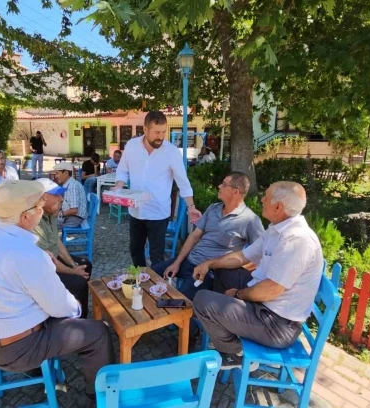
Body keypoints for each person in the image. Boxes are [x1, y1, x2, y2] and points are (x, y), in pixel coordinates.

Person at [0, 180, 114, 399]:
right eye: (39, 208)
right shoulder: (26, 253)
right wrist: (77, 311)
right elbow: (61, 307)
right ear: (25, 217)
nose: (42, 212)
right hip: (16, 349)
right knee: (98, 332)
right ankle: (100, 399)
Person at [192, 181, 323, 370]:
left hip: (276, 324)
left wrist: (238, 294)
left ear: (278, 207)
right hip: (263, 305)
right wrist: (209, 263)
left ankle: (235, 353)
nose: (262, 199)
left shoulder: (297, 240)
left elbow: (272, 290)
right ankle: (227, 327)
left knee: (203, 300)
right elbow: (242, 256)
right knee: (222, 269)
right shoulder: (277, 229)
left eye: (266, 197)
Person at [152, 172, 264, 300]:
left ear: (235, 192)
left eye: (224, 184)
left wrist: (237, 268)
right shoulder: (213, 208)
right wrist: (177, 262)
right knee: (149, 274)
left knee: (178, 302)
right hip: (188, 261)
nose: (219, 186)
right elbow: (194, 236)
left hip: (207, 272)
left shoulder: (250, 220)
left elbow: (259, 252)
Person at [112, 111, 202, 267]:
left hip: (158, 212)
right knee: (135, 249)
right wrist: (118, 186)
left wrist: (191, 206)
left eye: (163, 132)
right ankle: (141, 281)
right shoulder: (132, 146)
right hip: (136, 209)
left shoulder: (172, 152)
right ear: (145, 130)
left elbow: (183, 182)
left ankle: (157, 287)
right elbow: (122, 170)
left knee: (157, 255)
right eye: (156, 132)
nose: (161, 136)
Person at [34, 178, 93, 318]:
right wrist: (72, 271)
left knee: (85, 264)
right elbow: (47, 259)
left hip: (52, 258)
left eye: (61, 194)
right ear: (41, 199)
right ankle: (73, 318)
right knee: (78, 282)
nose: (61, 198)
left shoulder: (50, 214)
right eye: (56, 195)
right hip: (43, 268)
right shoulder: (34, 219)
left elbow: (57, 243)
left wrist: (74, 265)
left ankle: (80, 311)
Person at [53, 162, 88, 228]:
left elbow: (74, 210)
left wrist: (60, 214)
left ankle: (57, 238)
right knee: (49, 221)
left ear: (66, 173)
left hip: (75, 218)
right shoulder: (67, 184)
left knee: (51, 227)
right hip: (69, 215)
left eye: (57, 173)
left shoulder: (72, 186)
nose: (56, 176)